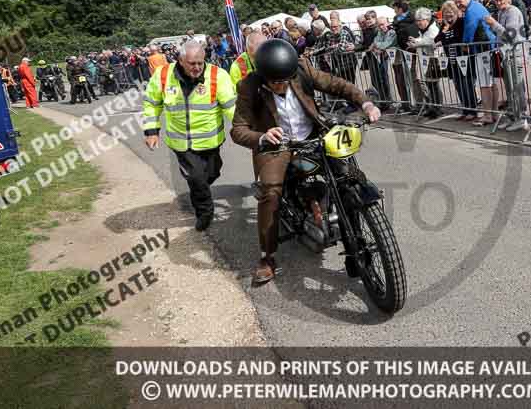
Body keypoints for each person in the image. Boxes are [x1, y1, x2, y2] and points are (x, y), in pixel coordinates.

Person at [230, 39, 381, 284]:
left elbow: (336, 84)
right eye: (275, 82)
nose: (281, 86)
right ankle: (267, 257)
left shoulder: (301, 69)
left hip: (312, 135)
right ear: (264, 76)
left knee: (346, 177)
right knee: (270, 191)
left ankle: (354, 247)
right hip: (277, 146)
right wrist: (263, 136)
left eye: (285, 80)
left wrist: (365, 102)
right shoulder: (249, 86)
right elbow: (238, 130)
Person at [143, 41, 237, 232]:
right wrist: (152, 131)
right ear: (180, 60)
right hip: (181, 142)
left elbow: (231, 107)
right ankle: (204, 212)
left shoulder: (218, 75)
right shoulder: (162, 76)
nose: (197, 68)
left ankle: (200, 188)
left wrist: (245, 127)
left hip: (210, 141)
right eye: (191, 63)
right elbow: (152, 104)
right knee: (196, 178)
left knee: (212, 172)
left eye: (200, 63)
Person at [452, 0, 497, 126]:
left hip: (482, 48)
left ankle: (488, 116)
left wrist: (465, 45)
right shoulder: (477, 5)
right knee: (490, 83)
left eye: (459, 1)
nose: (458, 5)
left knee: (484, 84)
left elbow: (469, 30)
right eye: (456, 2)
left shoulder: (471, 10)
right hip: (488, 47)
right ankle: (493, 113)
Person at [485, 0, 528, 131]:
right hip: (506, 54)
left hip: (515, 54)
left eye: (500, 0)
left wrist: (493, 24)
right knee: (509, 88)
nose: (498, 3)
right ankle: (512, 116)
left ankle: (521, 117)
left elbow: (510, 34)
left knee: (516, 87)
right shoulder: (502, 12)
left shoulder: (513, 11)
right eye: (496, 0)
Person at [436, 0, 475, 121]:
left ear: (456, 12)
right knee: (458, 85)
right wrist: (445, 28)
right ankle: (465, 109)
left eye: (451, 12)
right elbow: (438, 39)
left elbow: (463, 37)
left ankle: (472, 110)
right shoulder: (444, 25)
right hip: (451, 60)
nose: (449, 15)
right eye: (446, 12)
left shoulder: (461, 22)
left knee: (467, 84)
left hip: (463, 59)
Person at [407, 7, 443, 118]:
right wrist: (416, 40)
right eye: (417, 20)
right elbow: (424, 39)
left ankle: (437, 108)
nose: (418, 23)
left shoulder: (433, 29)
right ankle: (431, 107)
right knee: (428, 84)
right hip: (426, 60)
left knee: (433, 84)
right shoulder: (423, 29)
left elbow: (431, 40)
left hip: (434, 59)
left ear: (427, 19)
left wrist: (416, 43)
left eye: (420, 20)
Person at [368, 16, 395, 109]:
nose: (381, 27)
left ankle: (389, 100)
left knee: (385, 80)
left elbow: (385, 44)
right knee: (379, 79)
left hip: (390, 59)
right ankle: (384, 101)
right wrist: (378, 46)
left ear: (387, 23)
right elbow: (376, 40)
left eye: (383, 24)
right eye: (379, 25)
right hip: (380, 57)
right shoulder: (379, 32)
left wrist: (377, 46)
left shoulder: (391, 32)